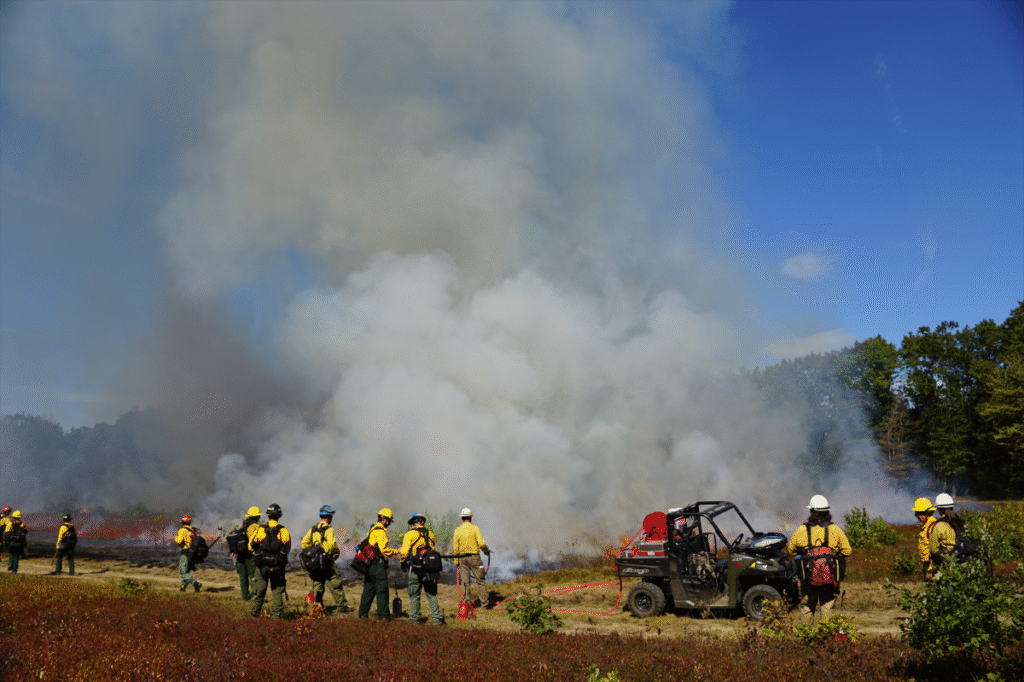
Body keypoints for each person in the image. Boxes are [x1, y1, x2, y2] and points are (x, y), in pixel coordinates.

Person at [786, 495, 852, 622]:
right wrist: (831, 555)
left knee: (807, 606)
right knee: (827, 606)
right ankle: (825, 636)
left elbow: (791, 550)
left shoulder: (802, 529)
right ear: (827, 511)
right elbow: (847, 551)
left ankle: (806, 636)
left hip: (808, 577)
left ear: (811, 512)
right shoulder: (834, 529)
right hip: (830, 577)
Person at [300, 504, 349, 614]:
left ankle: (317, 607)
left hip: (315, 562)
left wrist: (312, 552)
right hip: (327, 562)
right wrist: (336, 552)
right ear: (329, 517)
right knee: (335, 584)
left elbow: (304, 543)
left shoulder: (313, 528)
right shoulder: (329, 529)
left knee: (317, 585)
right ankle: (342, 607)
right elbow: (331, 546)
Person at [400, 512, 445, 625]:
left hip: (416, 568)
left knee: (414, 594)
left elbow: (404, 552)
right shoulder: (431, 534)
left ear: (413, 524)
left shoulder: (410, 534)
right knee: (431, 594)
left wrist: (402, 562)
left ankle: (414, 619)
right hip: (430, 568)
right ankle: (437, 620)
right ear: (422, 522)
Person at [249, 503, 291, 619]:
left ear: (268, 516)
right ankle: (276, 617)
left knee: (259, 591)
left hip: (261, 566)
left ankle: (254, 615)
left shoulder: (260, 530)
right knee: (277, 591)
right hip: (278, 567)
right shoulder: (284, 532)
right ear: (279, 516)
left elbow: (250, 547)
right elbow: (287, 549)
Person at [358, 507, 399, 620]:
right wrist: (397, 551)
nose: (389, 524)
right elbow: (385, 551)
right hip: (377, 564)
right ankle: (384, 616)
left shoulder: (372, 529)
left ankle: (362, 614)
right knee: (382, 590)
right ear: (384, 520)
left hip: (369, 564)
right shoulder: (380, 532)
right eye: (389, 521)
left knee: (368, 590)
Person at [452, 507, 491, 607]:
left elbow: (455, 549)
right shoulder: (475, 528)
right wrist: (486, 552)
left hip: (462, 559)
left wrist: (457, 562)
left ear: (462, 518)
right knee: (480, 581)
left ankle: (467, 603)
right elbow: (482, 544)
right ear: (470, 517)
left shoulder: (457, 530)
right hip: (474, 558)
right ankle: (485, 604)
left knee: (465, 582)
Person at [232, 506, 261, 601]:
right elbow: (258, 540)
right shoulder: (255, 527)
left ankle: (245, 597)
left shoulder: (243, 526)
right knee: (253, 576)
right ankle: (255, 597)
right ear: (256, 517)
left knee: (243, 577)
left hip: (240, 555)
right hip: (249, 555)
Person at [929, 493, 963, 570]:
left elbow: (933, 549)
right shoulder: (961, 522)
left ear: (939, 509)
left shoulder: (939, 526)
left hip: (947, 563)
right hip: (962, 560)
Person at [174, 515, 202, 592]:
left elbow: (179, 541)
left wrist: (175, 538)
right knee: (186, 572)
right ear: (190, 522)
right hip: (193, 554)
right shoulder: (193, 531)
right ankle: (183, 588)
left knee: (183, 572)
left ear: (182, 522)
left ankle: (196, 583)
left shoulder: (182, 530)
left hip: (185, 553)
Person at [912, 497, 937, 581]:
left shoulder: (933, 526)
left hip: (932, 564)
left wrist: (931, 568)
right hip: (927, 563)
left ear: (928, 513)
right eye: (916, 513)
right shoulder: (926, 525)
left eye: (919, 513)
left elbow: (935, 549)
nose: (916, 516)